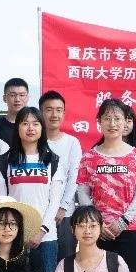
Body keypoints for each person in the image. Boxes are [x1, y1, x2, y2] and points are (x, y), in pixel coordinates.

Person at [77, 98, 136, 272]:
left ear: (126, 122)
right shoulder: (89, 157)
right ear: (99, 122)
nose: (112, 124)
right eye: (107, 118)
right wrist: (97, 223)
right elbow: (83, 192)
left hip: (129, 230)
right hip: (97, 232)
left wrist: (124, 221)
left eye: (117, 118)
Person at [0, 107, 65, 272]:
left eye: (35, 123)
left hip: (46, 237)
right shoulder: (5, 160)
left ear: (42, 128)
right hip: (14, 236)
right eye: (25, 123)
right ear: (17, 128)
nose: (30, 128)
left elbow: (54, 201)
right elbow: (3, 203)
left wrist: (41, 231)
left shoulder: (53, 160)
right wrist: (16, 232)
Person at [40, 90, 82, 262]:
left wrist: (63, 207)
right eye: (49, 109)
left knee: (65, 262)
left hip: (64, 215)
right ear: (41, 112)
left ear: (64, 113)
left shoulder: (72, 142)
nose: (54, 114)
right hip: (39, 211)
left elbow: (74, 177)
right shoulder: (33, 141)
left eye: (58, 110)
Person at [0, 78, 29, 146]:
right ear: (4, 98)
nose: (17, 99)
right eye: (12, 95)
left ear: (27, 97)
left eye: (22, 95)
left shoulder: (36, 127)